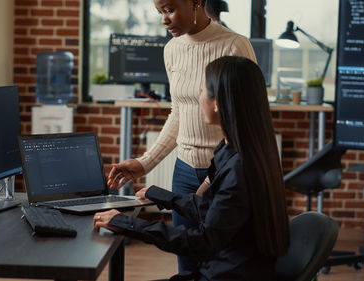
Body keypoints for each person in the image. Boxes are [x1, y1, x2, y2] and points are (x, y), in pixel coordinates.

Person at [95, 56, 290, 281]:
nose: (199, 99)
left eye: (201, 92)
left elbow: (203, 241)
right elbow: (209, 208)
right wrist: (159, 195)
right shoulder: (238, 149)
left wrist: (125, 222)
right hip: (231, 269)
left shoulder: (239, 170)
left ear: (218, 102)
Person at [107, 0, 256, 273]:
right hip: (184, 171)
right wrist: (145, 163)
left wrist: (214, 177)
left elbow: (248, 116)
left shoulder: (234, 45)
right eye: (160, 12)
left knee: (222, 261)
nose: (164, 19)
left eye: (170, 9)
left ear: (196, 3)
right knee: (186, 262)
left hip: (225, 171)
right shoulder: (172, 50)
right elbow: (178, 113)